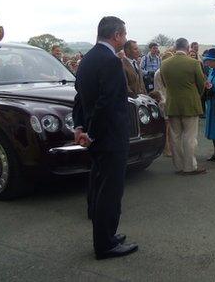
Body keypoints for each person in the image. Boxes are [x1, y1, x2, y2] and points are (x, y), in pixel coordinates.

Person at [73, 16, 138, 259]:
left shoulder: (88, 59)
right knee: (110, 190)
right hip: (109, 136)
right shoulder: (110, 61)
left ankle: (108, 234)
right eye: (124, 34)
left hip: (97, 135)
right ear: (117, 35)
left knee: (100, 186)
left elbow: (80, 98)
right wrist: (92, 131)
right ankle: (105, 244)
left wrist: (80, 126)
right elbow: (107, 103)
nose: (124, 38)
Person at [161, 38, 207, 175]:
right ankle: (189, 167)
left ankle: (179, 166)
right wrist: (195, 96)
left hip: (172, 104)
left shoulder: (164, 64)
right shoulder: (194, 63)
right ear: (188, 48)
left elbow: (164, 84)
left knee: (175, 137)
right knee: (190, 137)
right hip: (190, 105)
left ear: (175, 48)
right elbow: (201, 84)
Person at [152, 50, 175, 157]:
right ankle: (166, 148)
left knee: (170, 127)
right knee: (166, 127)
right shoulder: (159, 72)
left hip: (167, 100)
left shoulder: (163, 71)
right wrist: (163, 101)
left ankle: (169, 147)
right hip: (164, 101)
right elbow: (159, 89)